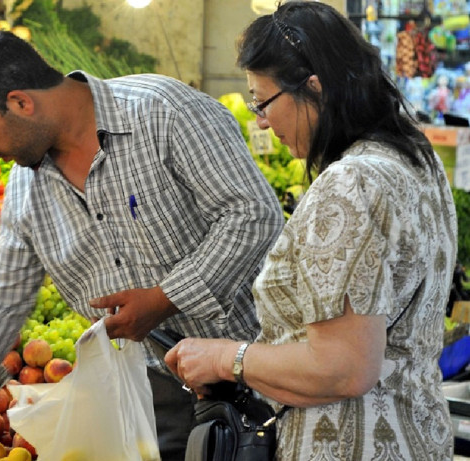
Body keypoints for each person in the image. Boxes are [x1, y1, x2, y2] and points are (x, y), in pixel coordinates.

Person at [0, 28, 284, 460]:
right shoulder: (25, 190)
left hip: (262, 363)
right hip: (153, 394)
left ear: (20, 102)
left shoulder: (164, 112)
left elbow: (252, 214)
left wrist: (165, 298)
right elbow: (2, 296)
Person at [163, 2, 457, 459]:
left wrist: (226, 357)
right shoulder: (416, 158)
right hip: (416, 435)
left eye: (264, 102)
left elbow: (342, 369)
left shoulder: (348, 184)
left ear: (314, 88)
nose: (261, 121)